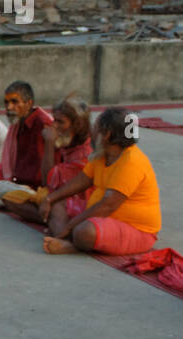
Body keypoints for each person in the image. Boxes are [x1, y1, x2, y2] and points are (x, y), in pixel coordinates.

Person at [41, 108, 161, 256]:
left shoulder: (131, 161)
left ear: (106, 134)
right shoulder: (103, 154)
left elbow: (107, 206)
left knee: (84, 231)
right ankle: (65, 238)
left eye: (95, 128)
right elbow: (82, 180)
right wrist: (50, 198)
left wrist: (71, 225)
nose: (91, 133)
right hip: (102, 219)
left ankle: (72, 243)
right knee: (57, 205)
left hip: (137, 230)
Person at [3, 96, 93, 224]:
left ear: (77, 125)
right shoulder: (68, 143)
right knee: (10, 198)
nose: (54, 126)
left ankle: (55, 218)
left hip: (78, 202)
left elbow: (47, 181)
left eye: (60, 122)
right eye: (54, 120)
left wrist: (49, 143)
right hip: (57, 196)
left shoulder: (84, 154)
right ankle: (51, 217)